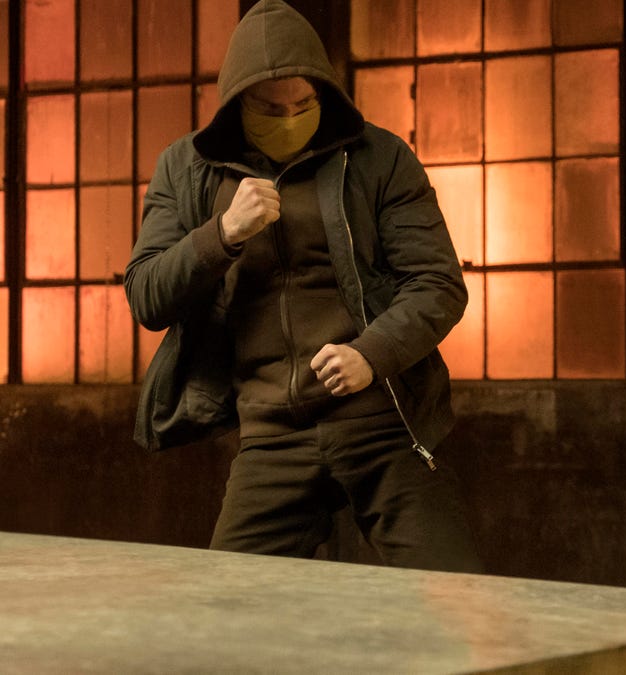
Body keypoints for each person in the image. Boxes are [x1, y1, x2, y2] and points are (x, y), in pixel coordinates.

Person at [124, 0, 482, 573]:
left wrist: (371, 355)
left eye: (304, 105)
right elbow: (146, 294)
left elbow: (438, 283)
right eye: (271, 109)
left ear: (324, 93)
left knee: (456, 596)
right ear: (237, 103)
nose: (289, 118)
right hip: (270, 434)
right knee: (226, 607)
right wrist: (221, 234)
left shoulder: (380, 157)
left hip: (380, 421)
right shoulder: (187, 169)